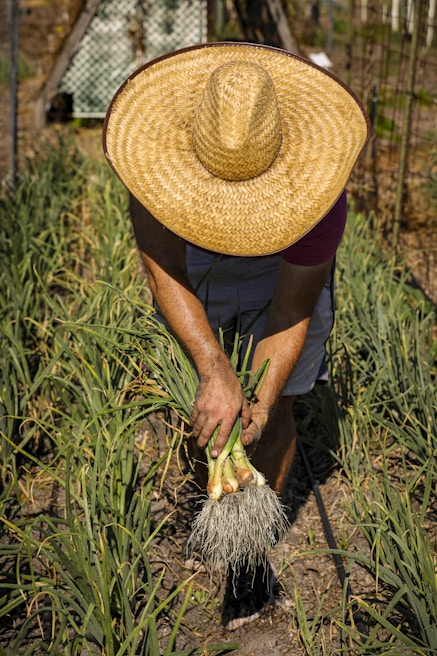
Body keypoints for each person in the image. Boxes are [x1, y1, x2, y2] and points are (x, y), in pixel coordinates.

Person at [103, 41, 370, 630]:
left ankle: (246, 552)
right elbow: (164, 272)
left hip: (281, 264)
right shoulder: (155, 164)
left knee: (270, 416)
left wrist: (263, 401)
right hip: (191, 263)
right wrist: (210, 363)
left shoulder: (315, 195)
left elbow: (291, 307)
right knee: (202, 406)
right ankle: (214, 511)